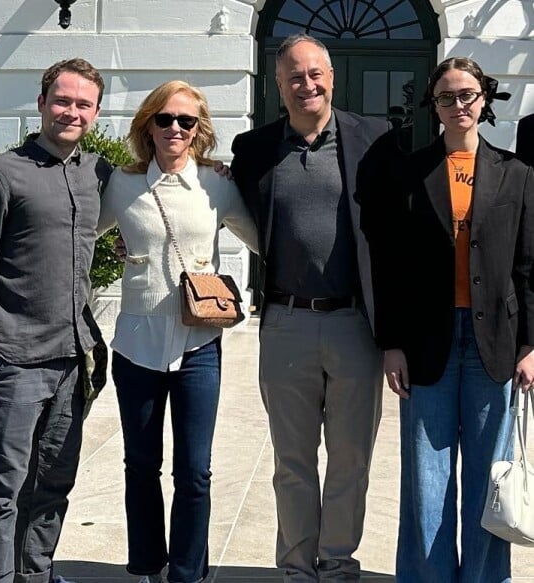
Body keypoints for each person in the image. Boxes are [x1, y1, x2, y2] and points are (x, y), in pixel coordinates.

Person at [359, 57, 534, 582]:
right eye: (446, 97)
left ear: (483, 100)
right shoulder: (410, 174)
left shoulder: (518, 174)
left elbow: (529, 268)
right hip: (424, 344)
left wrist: (530, 345)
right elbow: (388, 266)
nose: (458, 105)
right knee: (426, 482)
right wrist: (391, 343)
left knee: (487, 480)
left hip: (494, 345)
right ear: (432, 106)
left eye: (467, 95)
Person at [230, 34, 390, 582]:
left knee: (351, 461)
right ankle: (297, 569)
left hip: (355, 325)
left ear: (332, 77)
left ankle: (339, 564)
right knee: (291, 463)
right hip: (286, 323)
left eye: (316, 74)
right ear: (278, 85)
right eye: (295, 76)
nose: (308, 85)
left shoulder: (373, 138)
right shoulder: (252, 150)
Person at [0, 58, 111, 583]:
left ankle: (34, 573)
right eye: (62, 100)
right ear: (41, 104)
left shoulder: (96, 174)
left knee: (52, 483)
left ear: (96, 113)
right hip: (14, 356)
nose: (71, 111)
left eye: (83, 104)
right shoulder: (1, 174)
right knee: (0, 487)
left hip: (74, 359)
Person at [97, 80, 257, 583]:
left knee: (194, 471)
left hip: (199, 345)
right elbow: (80, 233)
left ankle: (187, 574)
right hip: (136, 346)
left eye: (186, 121)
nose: (175, 128)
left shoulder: (216, 183)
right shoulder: (121, 184)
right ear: (148, 124)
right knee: (140, 465)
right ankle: (147, 564)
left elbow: (264, 236)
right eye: (164, 119)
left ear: (199, 129)